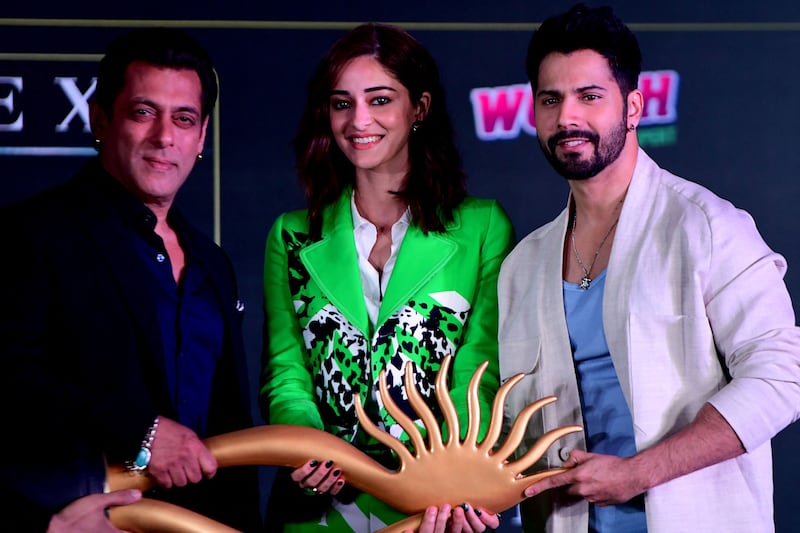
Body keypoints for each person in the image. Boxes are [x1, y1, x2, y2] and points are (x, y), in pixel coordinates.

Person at [498, 4, 800, 533]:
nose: (568, 118)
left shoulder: (707, 226)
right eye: (551, 99)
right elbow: (509, 430)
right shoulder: (523, 264)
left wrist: (638, 474)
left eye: (590, 97)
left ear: (634, 107)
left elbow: (781, 375)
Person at [0, 28, 261, 532]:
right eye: (144, 112)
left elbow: (229, 432)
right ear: (101, 119)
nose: (164, 136)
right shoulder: (31, 235)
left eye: (183, 119)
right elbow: (11, 379)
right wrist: (138, 432)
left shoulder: (213, 265)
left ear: (202, 136)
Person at [260, 23, 512, 533]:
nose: (359, 120)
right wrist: (309, 450)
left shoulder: (483, 226)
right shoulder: (291, 236)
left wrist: (456, 479)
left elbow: (477, 374)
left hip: (436, 509)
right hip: (317, 510)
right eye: (341, 103)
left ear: (419, 108)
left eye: (379, 100)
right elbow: (287, 374)